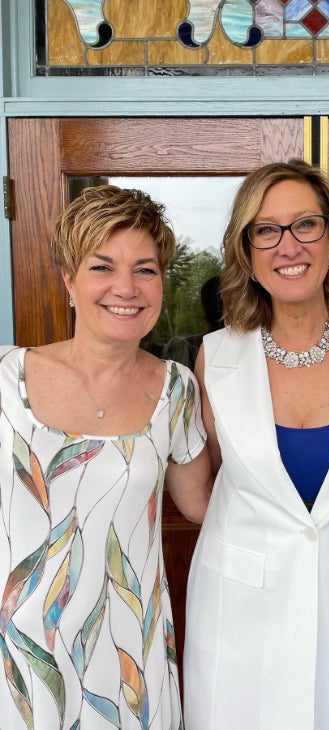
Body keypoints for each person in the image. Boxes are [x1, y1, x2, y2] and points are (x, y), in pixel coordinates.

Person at [182, 159, 329, 730]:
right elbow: (205, 492)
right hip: (237, 610)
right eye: (266, 230)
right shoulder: (216, 357)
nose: (288, 245)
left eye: (306, 224)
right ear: (247, 251)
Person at [0, 185, 212, 729]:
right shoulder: (5, 378)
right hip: (17, 660)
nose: (126, 287)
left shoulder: (176, 390)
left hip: (125, 663)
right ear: (69, 281)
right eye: (102, 266)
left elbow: (203, 506)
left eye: (145, 269)